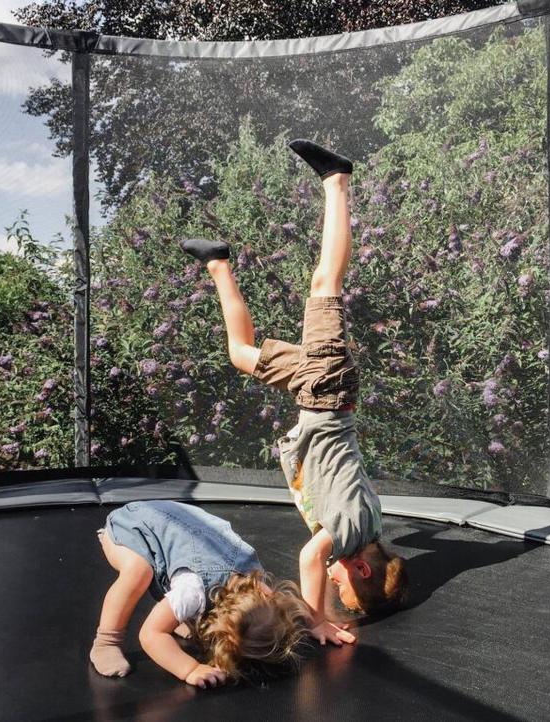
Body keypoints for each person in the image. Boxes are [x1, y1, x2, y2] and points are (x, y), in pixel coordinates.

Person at [180, 139, 408, 647]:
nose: (333, 581)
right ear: (361, 569)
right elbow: (310, 558)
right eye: (341, 587)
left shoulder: (368, 528)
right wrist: (318, 618)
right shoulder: (351, 533)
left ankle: (218, 263)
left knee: (241, 353)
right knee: (325, 283)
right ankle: (337, 181)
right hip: (326, 391)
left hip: (318, 393)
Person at [89, 500, 310, 687]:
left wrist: (316, 624)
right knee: (139, 572)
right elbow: (150, 635)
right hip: (130, 527)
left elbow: (276, 612)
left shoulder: (259, 586)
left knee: (181, 601)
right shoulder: (193, 591)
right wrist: (190, 669)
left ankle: (180, 615)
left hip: (174, 520)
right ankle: (106, 642)